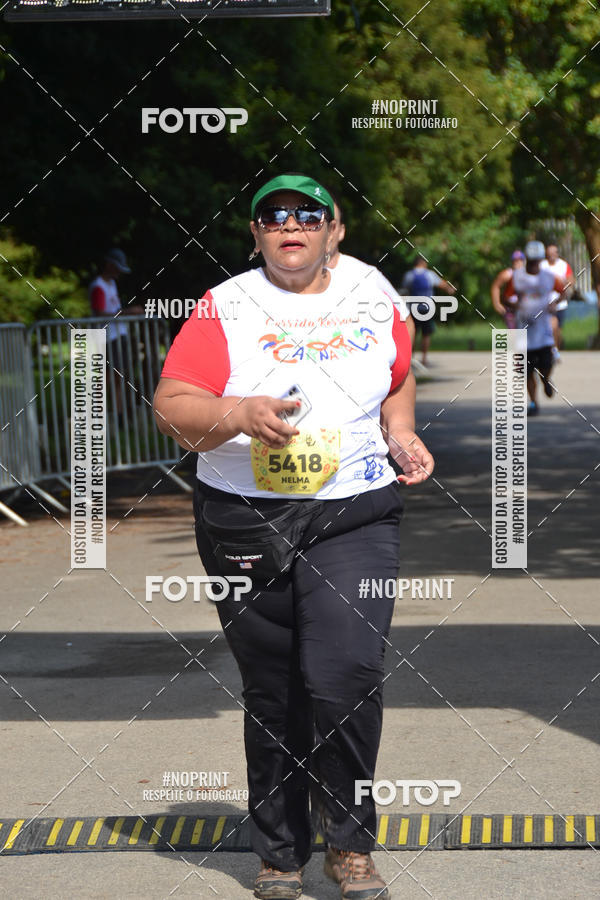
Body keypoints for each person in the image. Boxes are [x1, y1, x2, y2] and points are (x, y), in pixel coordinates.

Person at [153, 173, 434, 900]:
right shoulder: (227, 307)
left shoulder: (374, 291)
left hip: (354, 511)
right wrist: (238, 412)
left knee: (343, 675)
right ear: (256, 235)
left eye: (308, 214)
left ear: (334, 229)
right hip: (245, 514)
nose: (291, 224)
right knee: (276, 690)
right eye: (272, 215)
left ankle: (349, 844)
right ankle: (280, 854)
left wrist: (399, 432)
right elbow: (172, 404)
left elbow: (398, 374)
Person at [325, 196, 415, 347]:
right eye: (314, 221)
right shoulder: (289, 278)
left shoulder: (366, 275)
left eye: (331, 225)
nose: (325, 231)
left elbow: (405, 320)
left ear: (341, 231)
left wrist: (402, 368)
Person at [502, 240, 565, 416]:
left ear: (541, 260)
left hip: (543, 332)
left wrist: (555, 303)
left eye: (537, 260)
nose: (534, 264)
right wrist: (515, 307)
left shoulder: (548, 277)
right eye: (531, 260)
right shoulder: (517, 277)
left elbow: (563, 290)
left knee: (546, 365)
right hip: (524, 331)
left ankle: (546, 380)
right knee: (527, 372)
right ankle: (533, 402)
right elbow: (505, 297)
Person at [89, 248, 142, 417]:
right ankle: (97, 413)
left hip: (119, 335)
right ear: (109, 265)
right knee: (107, 378)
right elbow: (99, 314)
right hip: (107, 337)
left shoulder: (112, 284)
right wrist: (127, 312)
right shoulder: (98, 286)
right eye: (117, 267)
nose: (119, 272)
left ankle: (119, 414)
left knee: (120, 377)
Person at [400, 255, 456, 367]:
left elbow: (404, 289)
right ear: (423, 263)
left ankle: (410, 358)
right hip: (427, 308)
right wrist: (450, 288)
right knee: (426, 334)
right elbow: (442, 284)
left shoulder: (409, 275)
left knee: (413, 332)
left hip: (413, 308)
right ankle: (424, 359)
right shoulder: (430, 274)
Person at [540, 242, 574, 359]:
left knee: (557, 328)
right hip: (544, 303)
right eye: (549, 253)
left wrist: (563, 285)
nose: (552, 255)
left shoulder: (563, 265)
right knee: (548, 327)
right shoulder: (542, 265)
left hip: (560, 303)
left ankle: (555, 349)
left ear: (557, 253)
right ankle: (549, 349)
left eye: (554, 253)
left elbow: (571, 281)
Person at [490, 250, 525, 328]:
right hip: (510, 309)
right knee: (514, 333)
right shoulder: (507, 274)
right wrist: (497, 304)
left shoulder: (528, 274)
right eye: (515, 260)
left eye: (519, 260)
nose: (517, 262)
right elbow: (495, 287)